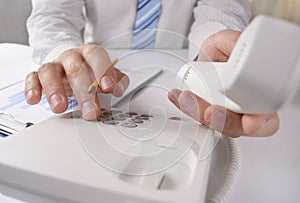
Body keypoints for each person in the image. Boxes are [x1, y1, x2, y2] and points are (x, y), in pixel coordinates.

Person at [24, 0, 279, 137]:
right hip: (99, 71)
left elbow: (220, 11)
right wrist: (63, 54)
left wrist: (217, 51)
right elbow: (52, 17)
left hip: (179, 72)